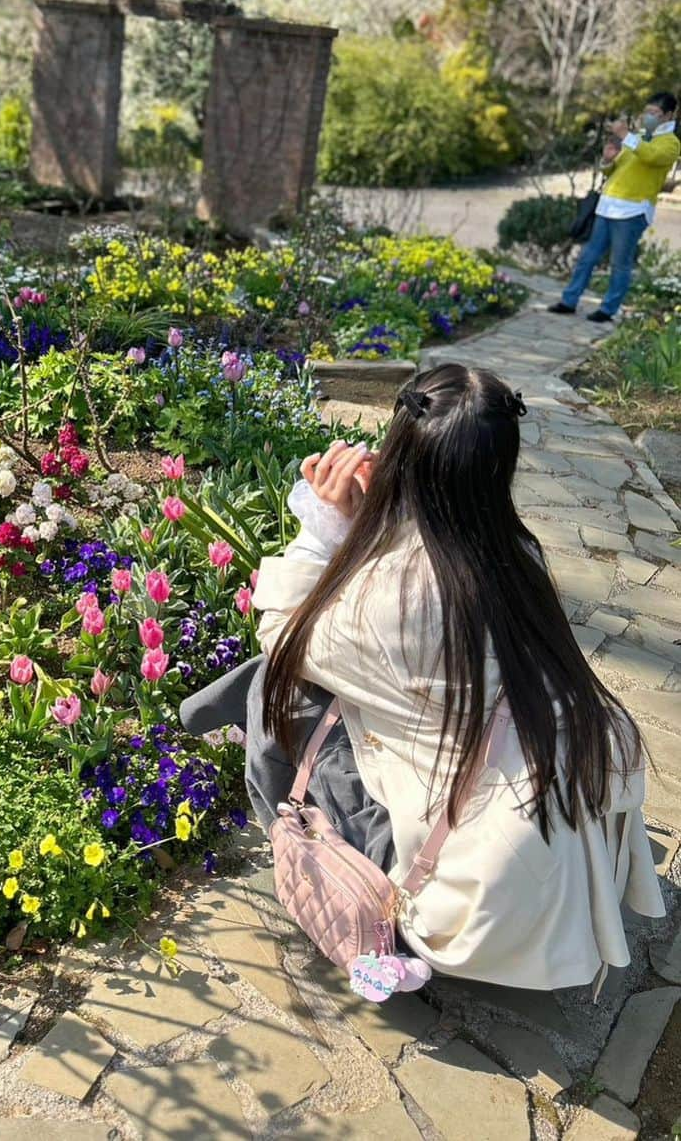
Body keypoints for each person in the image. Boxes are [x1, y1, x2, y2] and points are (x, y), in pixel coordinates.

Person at [182, 364, 663, 989]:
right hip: (532, 844)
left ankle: (285, 823)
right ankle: (195, 718)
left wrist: (322, 531)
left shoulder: (395, 595)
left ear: (399, 455)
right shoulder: (519, 553)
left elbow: (282, 633)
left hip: (469, 904)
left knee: (275, 683)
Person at [550, 91, 679, 323]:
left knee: (620, 263)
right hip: (607, 206)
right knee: (587, 257)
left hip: (632, 211)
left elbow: (650, 157)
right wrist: (608, 160)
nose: (648, 117)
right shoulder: (639, 137)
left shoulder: (670, 143)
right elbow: (616, 169)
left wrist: (627, 136)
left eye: (655, 113)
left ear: (669, 115)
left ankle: (608, 309)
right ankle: (569, 300)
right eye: (646, 112)